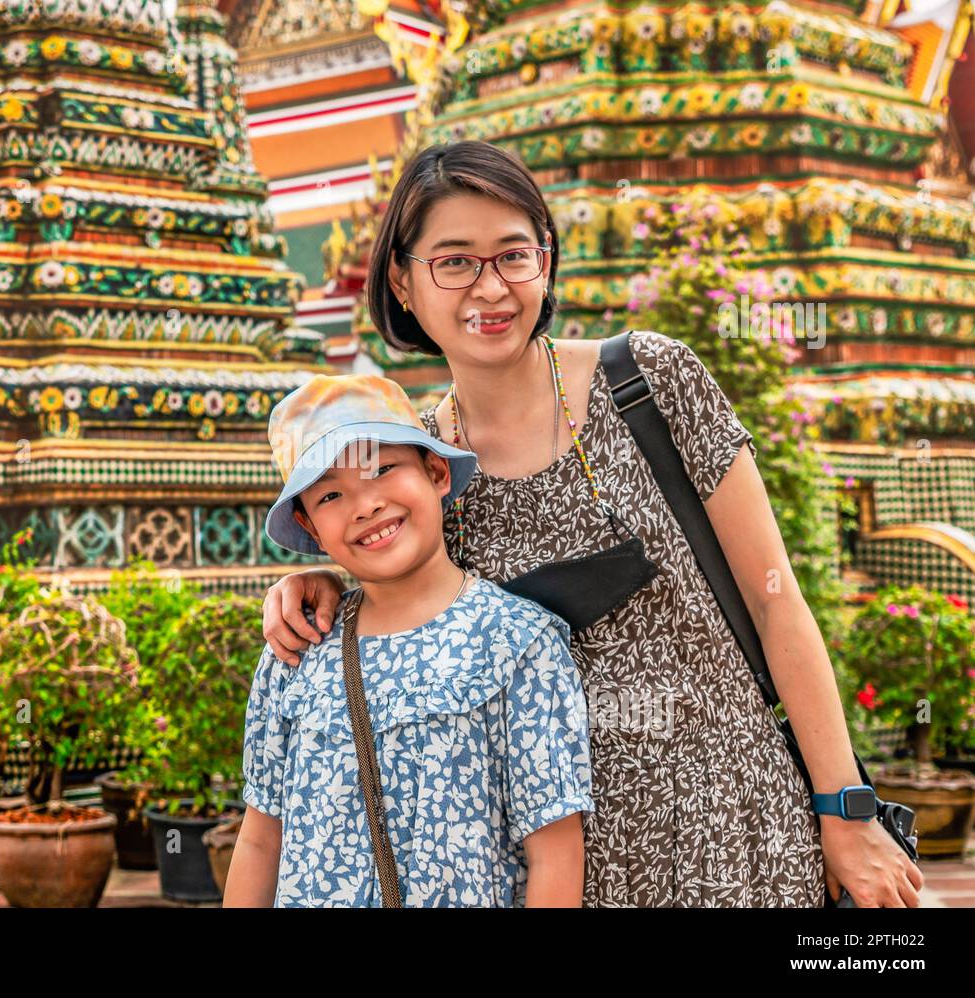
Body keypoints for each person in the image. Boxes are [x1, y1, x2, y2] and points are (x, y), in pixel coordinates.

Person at [259, 140, 925, 908]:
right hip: (564, 866)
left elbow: (778, 599)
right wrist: (315, 583)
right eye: (455, 262)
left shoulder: (649, 380)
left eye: (514, 254)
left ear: (545, 260)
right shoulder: (424, 469)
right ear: (404, 282)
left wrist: (845, 810)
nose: (491, 288)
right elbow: (401, 601)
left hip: (741, 829)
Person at [224, 373, 593, 907]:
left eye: (383, 469)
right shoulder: (297, 650)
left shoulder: (518, 645)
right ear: (310, 526)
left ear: (436, 472)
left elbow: (554, 854)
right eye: (331, 494)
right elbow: (260, 839)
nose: (366, 505)